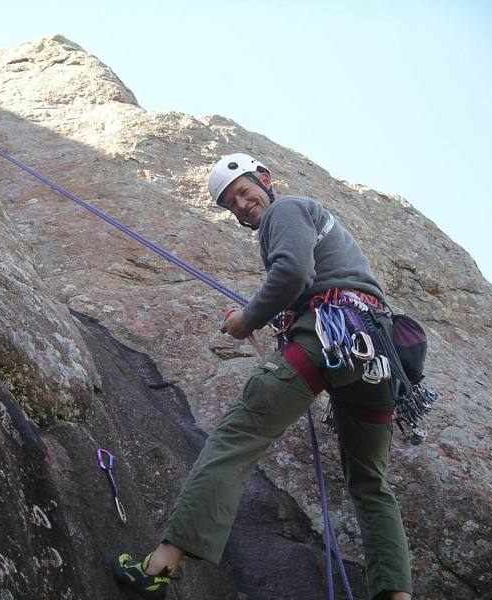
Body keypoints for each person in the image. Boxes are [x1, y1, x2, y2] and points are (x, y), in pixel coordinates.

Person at [111, 153, 413, 600]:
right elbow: (304, 276)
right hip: (378, 359)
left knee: (236, 436)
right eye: (232, 202)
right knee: (371, 483)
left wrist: (249, 319)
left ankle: (159, 566)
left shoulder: (286, 209)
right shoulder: (315, 224)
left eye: (244, 191)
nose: (242, 203)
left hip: (332, 334)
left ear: (266, 180)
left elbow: (293, 271)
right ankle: (396, 595)